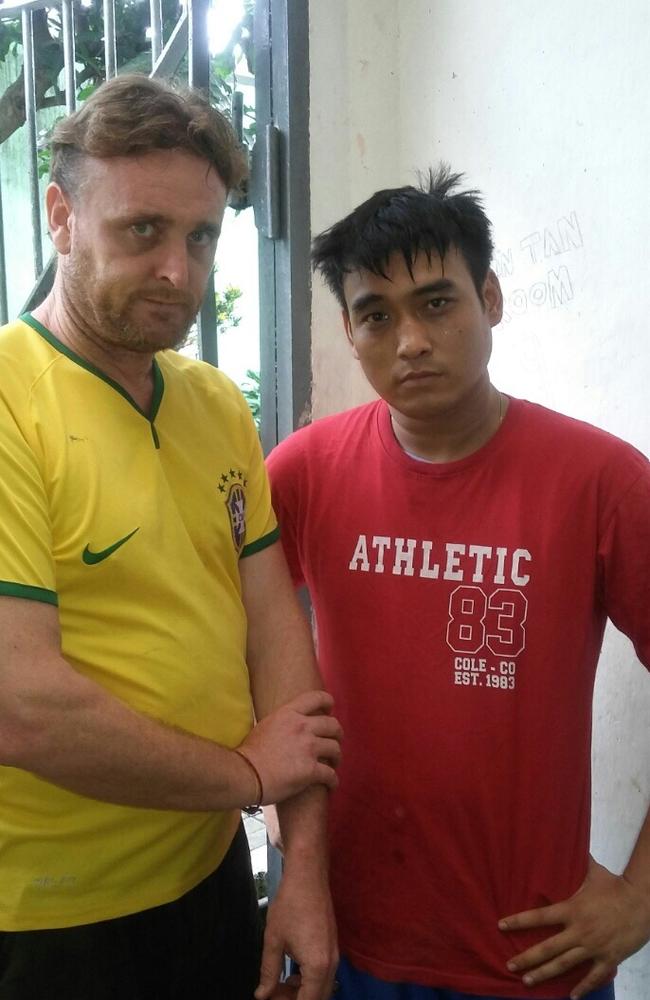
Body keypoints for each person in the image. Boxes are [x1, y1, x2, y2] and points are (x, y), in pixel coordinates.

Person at [265, 167, 650, 1000]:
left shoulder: (603, 482)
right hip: (349, 942)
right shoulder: (304, 473)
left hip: (535, 957)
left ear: (492, 299)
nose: (409, 341)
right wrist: (289, 854)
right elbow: (242, 641)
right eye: (376, 315)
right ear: (349, 330)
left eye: (437, 303)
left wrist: (640, 897)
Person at [0, 74, 343, 1000]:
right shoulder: (8, 401)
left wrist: (303, 868)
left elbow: (279, 644)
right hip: (48, 923)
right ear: (62, 215)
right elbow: (19, 703)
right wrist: (242, 774)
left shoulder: (216, 406)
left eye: (201, 238)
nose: (179, 273)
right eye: (142, 231)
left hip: (210, 883)